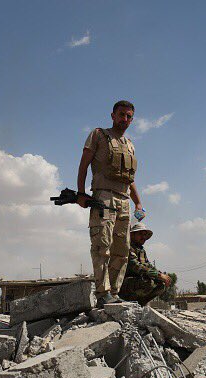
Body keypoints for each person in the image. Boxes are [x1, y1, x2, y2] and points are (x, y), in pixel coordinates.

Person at [77, 100, 145, 308]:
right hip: (103, 196)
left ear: (132, 120)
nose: (124, 119)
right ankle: (102, 292)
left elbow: (128, 178)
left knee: (122, 250)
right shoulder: (99, 135)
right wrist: (81, 193)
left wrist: (138, 203)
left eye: (128, 116)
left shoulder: (130, 144)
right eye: (121, 114)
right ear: (113, 115)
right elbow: (84, 164)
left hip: (124, 199)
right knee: (102, 245)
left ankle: (114, 293)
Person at [118, 223, 171, 306]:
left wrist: (161, 275)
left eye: (145, 235)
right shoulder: (128, 248)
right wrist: (158, 275)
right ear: (132, 235)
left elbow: (148, 265)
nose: (143, 237)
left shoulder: (141, 250)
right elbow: (136, 266)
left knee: (161, 285)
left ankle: (140, 304)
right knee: (148, 282)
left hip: (135, 281)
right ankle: (127, 301)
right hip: (123, 284)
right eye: (140, 234)